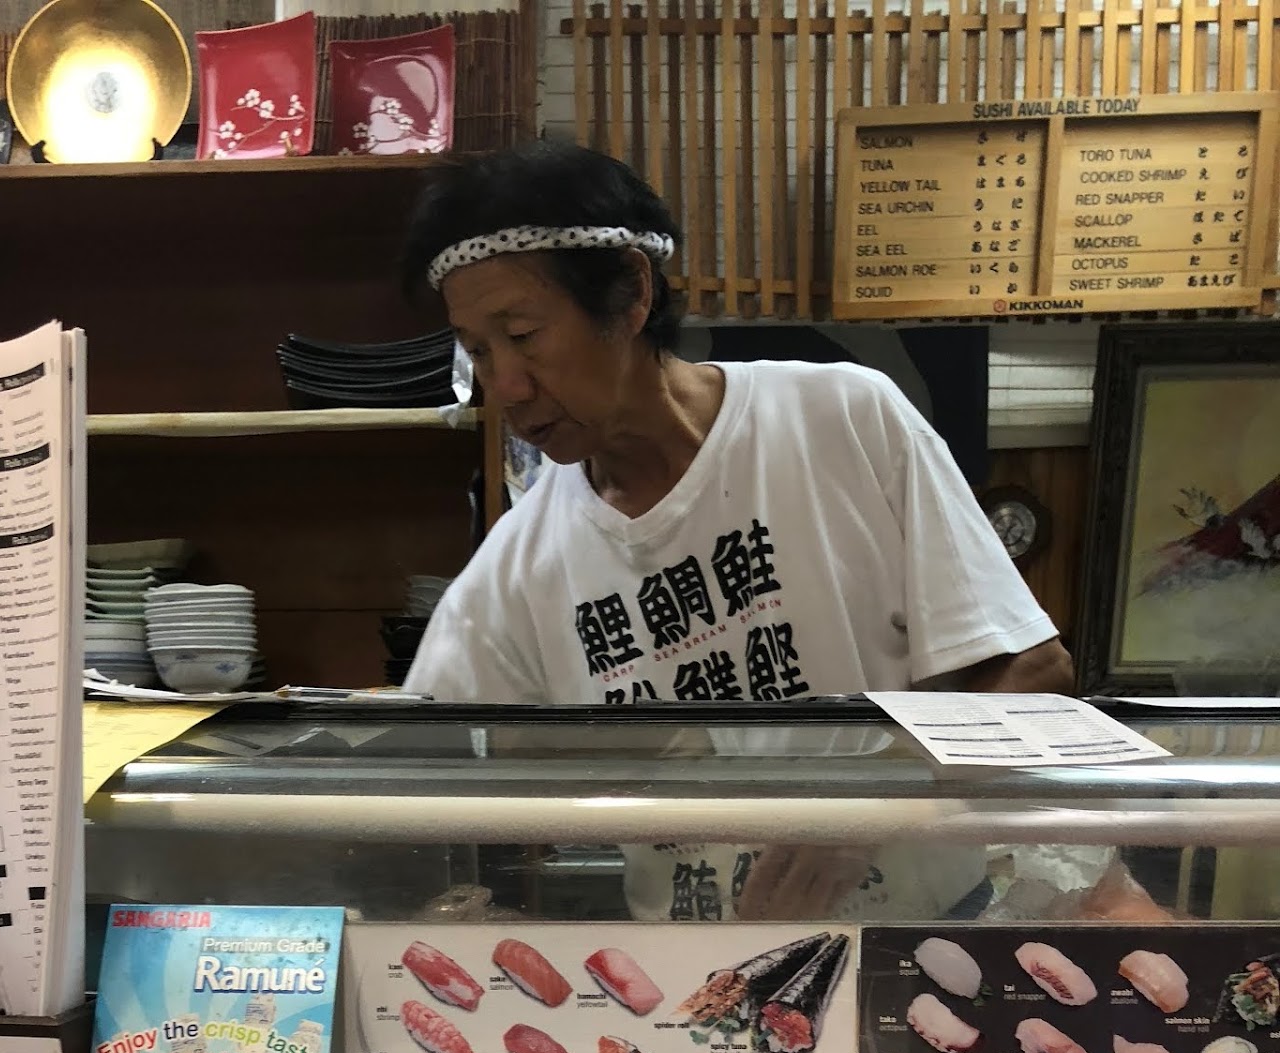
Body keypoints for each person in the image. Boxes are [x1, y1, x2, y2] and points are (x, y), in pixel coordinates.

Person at [399, 142, 1081, 921]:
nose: (506, 387)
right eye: (478, 352)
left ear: (631, 293)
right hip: (698, 971)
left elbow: (1032, 670)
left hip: (918, 937)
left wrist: (870, 807)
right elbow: (419, 765)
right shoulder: (519, 565)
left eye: (523, 335)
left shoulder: (842, 420)